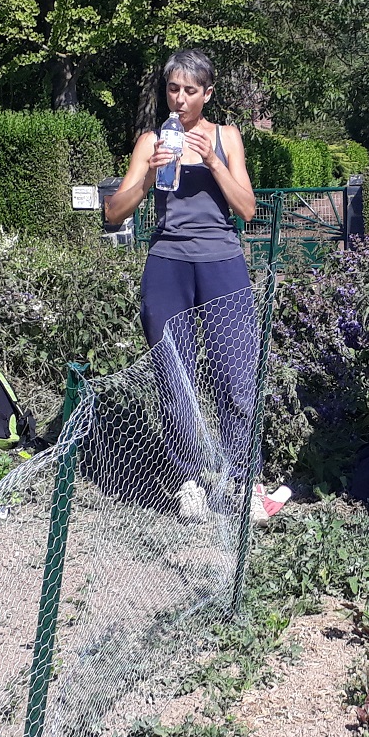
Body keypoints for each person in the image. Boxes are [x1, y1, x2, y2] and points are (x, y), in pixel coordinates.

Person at [101, 48, 257, 518]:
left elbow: (247, 209)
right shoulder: (152, 141)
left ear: (207, 94)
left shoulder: (227, 137)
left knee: (236, 374)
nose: (180, 99)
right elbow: (113, 214)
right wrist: (147, 176)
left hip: (222, 263)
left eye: (191, 90)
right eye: (173, 89)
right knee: (175, 375)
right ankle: (188, 478)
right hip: (168, 263)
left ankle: (237, 476)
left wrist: (213, 162)